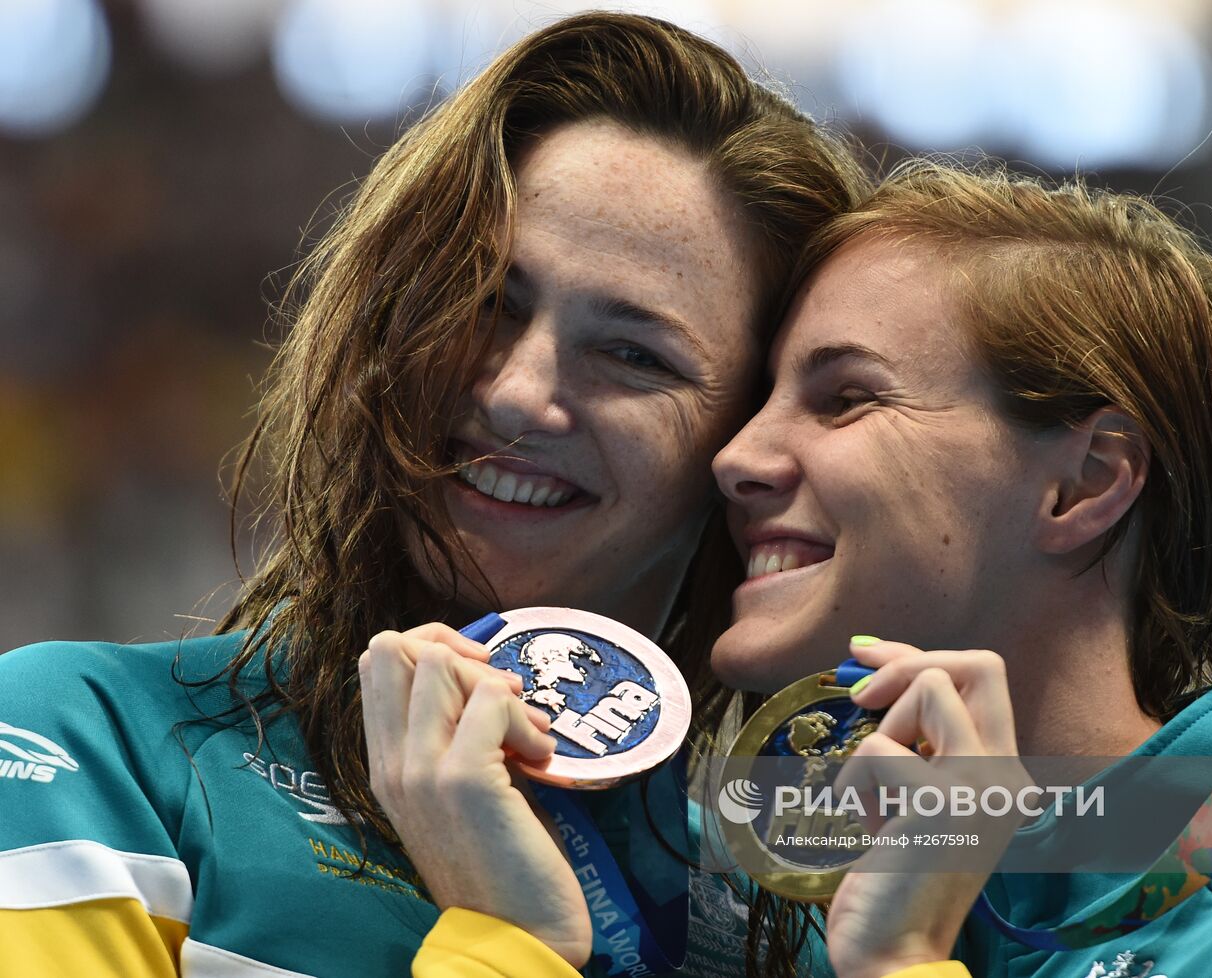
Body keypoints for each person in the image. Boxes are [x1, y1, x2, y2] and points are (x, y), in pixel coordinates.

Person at [0, 13, 867, 978]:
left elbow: (1061, 826)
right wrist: (513, 948)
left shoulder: (797, 907)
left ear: (745, 441)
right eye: (488, 299)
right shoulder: (84, 749)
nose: (515, 393)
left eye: (633, 354)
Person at [707, 159, 1212, 977]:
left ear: (1085, 485)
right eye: (765, 398)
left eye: (845, 398)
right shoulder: (754, 911)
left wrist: (900, 964)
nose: (735, 456)